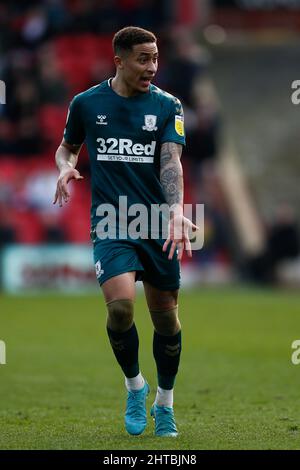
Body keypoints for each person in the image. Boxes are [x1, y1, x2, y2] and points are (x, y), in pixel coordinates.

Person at [53, 26, 197, 437]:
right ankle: (135, 386)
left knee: (166, 321)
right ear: (119, 61)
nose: (151, 67)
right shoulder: (86, 103)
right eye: (142, 59)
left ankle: (164, 403)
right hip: (111, 221)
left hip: (156, 223)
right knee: (119, 309)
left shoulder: (168, 105)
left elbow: (171, 162)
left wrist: (174, 212)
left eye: (155, 58)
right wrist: (65, 166)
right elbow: (68, 146)